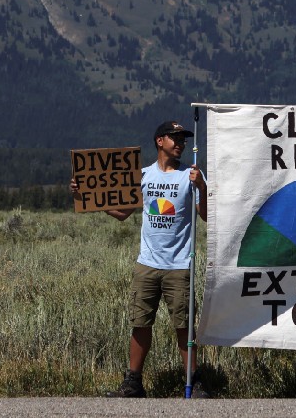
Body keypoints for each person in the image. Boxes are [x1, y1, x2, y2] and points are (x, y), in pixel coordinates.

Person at [70, 120, 209, 398]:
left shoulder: (190, 176)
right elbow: (123, 213)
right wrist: (88, 196)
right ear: (160, 141)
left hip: (180, 264)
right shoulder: (143, 176)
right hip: (147, 263)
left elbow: (204, 215)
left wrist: (202, 188)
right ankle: (133, 382)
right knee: (140, 323)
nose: (180, 143)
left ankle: (195, 382)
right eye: (175, 138)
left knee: (184, 326)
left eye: (183, 139)